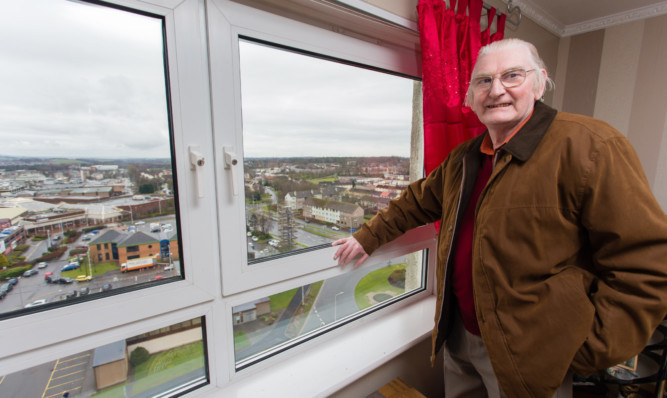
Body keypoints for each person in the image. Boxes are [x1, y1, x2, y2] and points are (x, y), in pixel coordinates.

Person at [332, 38, 667, 397]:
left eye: (512, 76)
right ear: (472, 96)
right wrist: (367, 236)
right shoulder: (465, 157)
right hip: (460, 335)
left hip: (531, 352)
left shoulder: (591, 146)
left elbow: (645, 265)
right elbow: (416, 201)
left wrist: (585, 349)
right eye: (484, 81)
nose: (496, 90)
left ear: (539, 83)